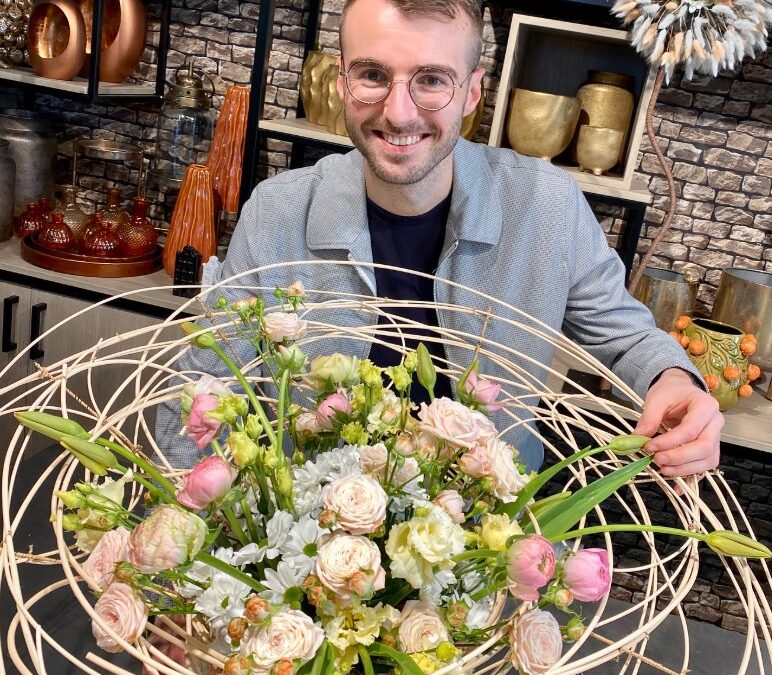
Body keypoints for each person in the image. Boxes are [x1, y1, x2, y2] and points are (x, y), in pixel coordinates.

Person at [156, 0, 722, 478]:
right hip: (312, 550)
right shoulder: (279, 212)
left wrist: (676, 381)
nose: (398, 113)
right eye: (373, 75)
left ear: (474, 92)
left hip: (491, 552)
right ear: (342, 80)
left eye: (431, 80)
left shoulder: (546, 206)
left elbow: (626, 340)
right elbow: (203, 389)